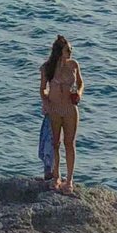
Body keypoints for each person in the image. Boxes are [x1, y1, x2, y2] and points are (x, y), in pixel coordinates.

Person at [39, 34, 84, 195]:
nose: (70, 52)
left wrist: (79, 93)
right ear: (59, 51)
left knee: (69, 144)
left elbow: (80, 82)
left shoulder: (73, 65)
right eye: (68, 50)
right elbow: (43, 88)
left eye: (71, 49)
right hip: (55, 109)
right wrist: (45, 100)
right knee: (55, 143)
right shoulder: (48, 68)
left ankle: (69, 181)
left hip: (70, 109)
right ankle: (56, 177)